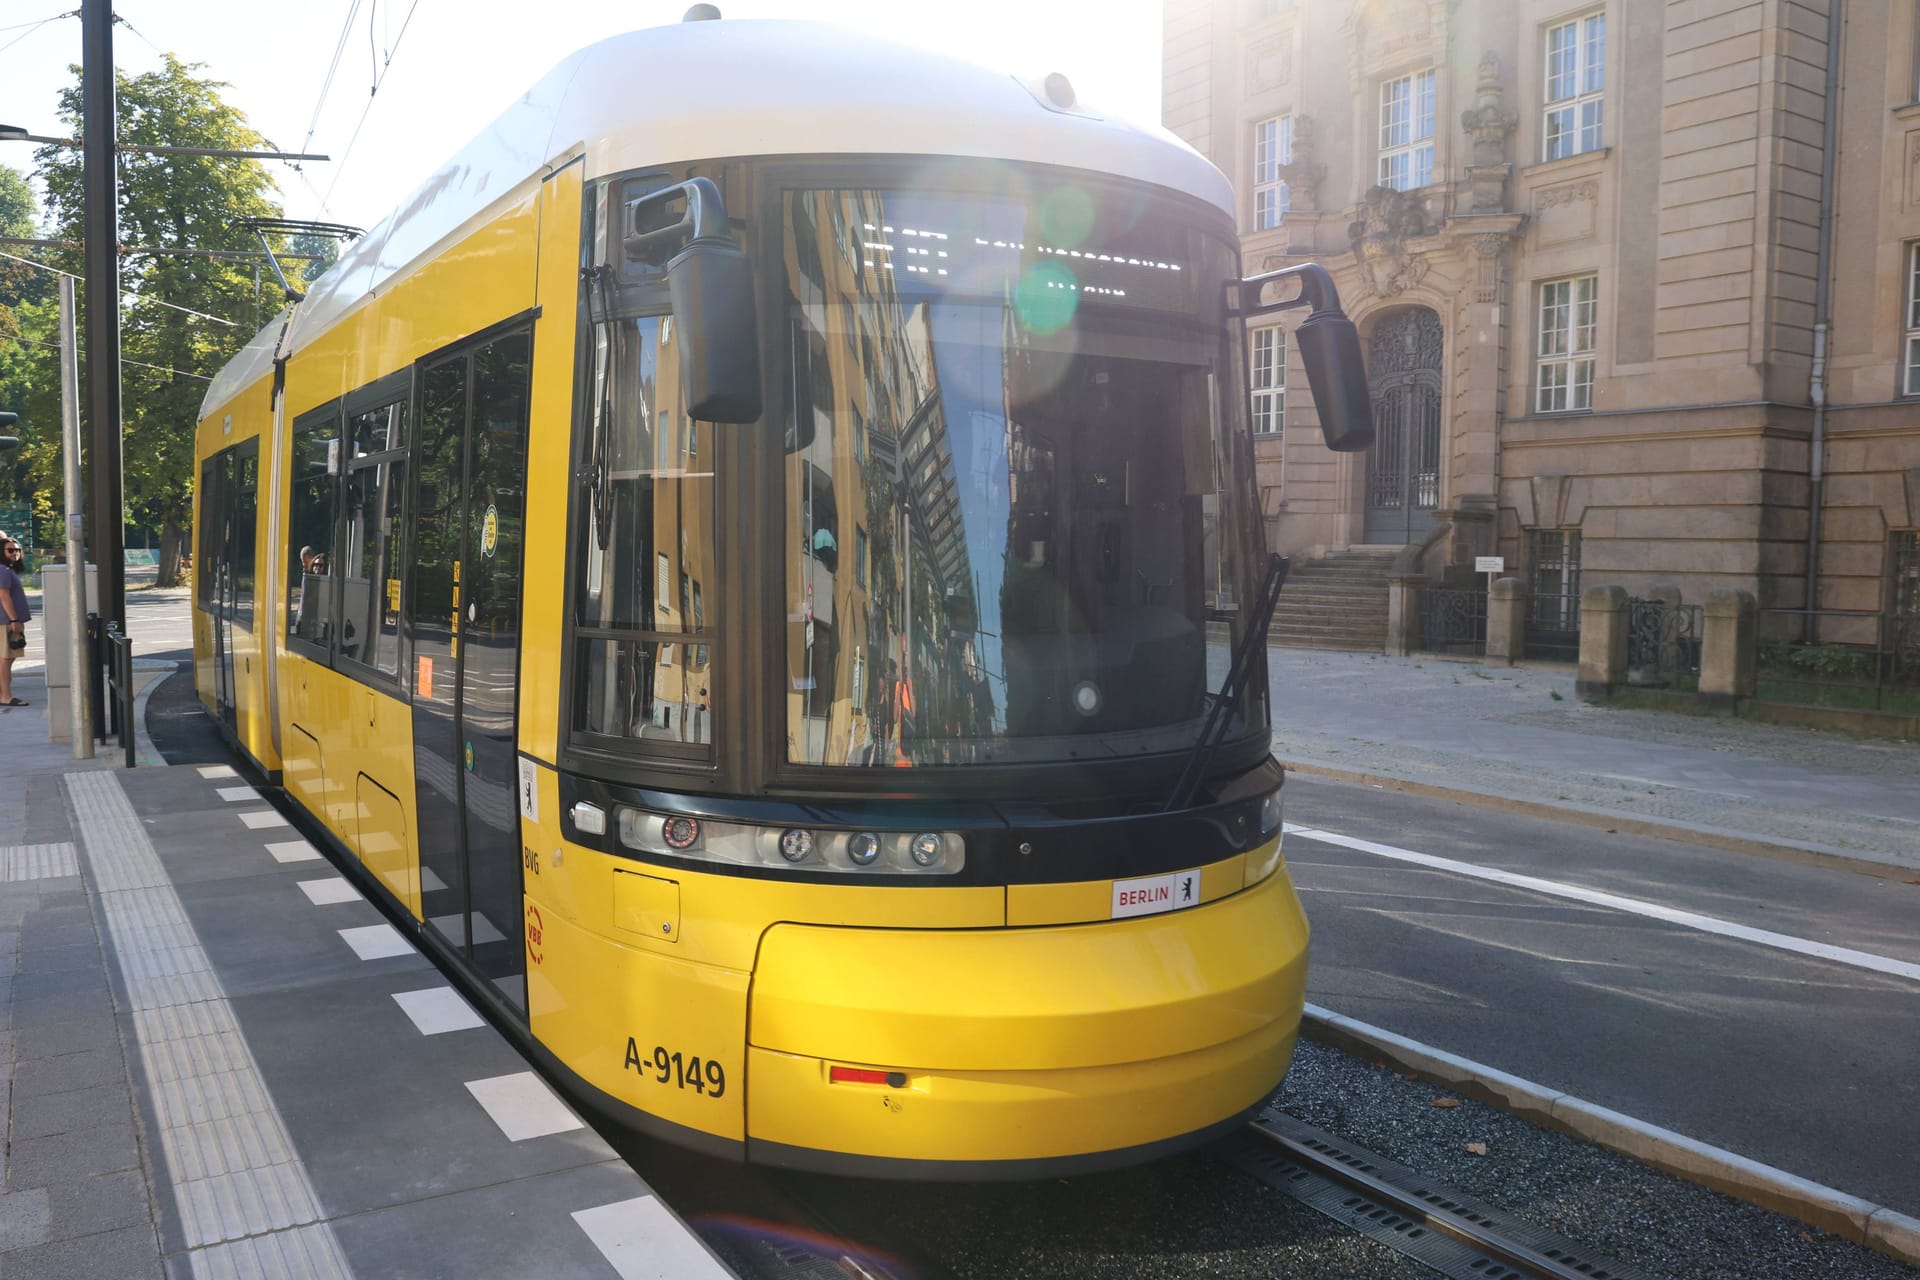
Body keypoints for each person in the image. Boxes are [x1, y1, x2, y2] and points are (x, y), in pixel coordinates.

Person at [0, 534, 29, 707]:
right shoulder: (3, 570)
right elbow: (4, 596)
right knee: (6, 658)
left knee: (6, 658)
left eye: (17, 550)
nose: (15, 553)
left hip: (6, 621)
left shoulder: (7, 570)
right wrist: (14, 620)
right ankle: (6, 695)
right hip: (6, 622)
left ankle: (4, 693)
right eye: (10, 550)